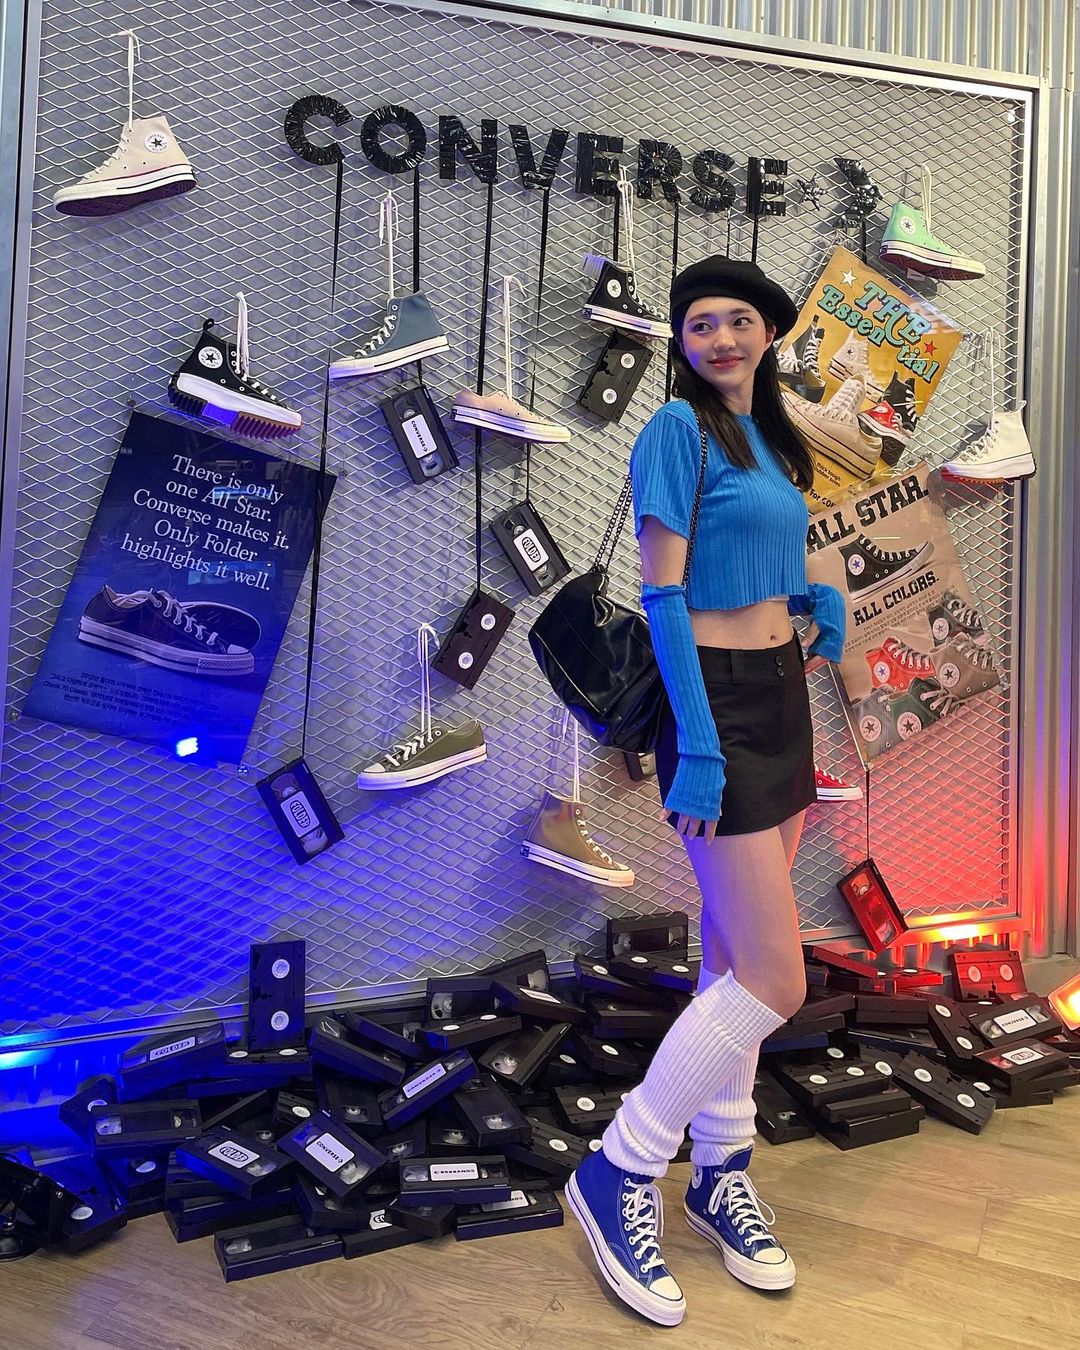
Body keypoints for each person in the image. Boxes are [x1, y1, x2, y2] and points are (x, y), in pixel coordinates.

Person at [564, 256, 846, 1327]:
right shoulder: (674, 431)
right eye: (697, 325)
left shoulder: (772, 439)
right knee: (775, 979)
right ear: (681, 344)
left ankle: (722, 1173)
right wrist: (701, 748)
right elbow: (666, 595)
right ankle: (618, 1167)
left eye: (736, 320)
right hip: (716, 705)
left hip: (781, 695)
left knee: (734, 961)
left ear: (768, 332)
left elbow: (759, 564)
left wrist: (813, 600)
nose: (719, 338)